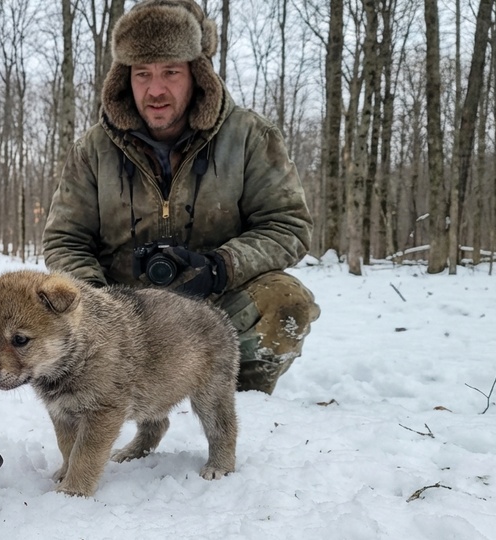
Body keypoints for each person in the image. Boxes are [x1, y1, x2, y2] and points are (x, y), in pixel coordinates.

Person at [43, 0, 320, 394]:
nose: (155, 90)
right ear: (125, 79)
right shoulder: (92, 149)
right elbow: (64, 239)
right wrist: (99, 301)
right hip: (123, 321)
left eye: (170, 72)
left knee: (286, 299)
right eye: (143, 74)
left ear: (197, 74)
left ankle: (242, 396)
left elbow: (287, 225)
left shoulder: (250, 136)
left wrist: (220, 266)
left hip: (215, 305)